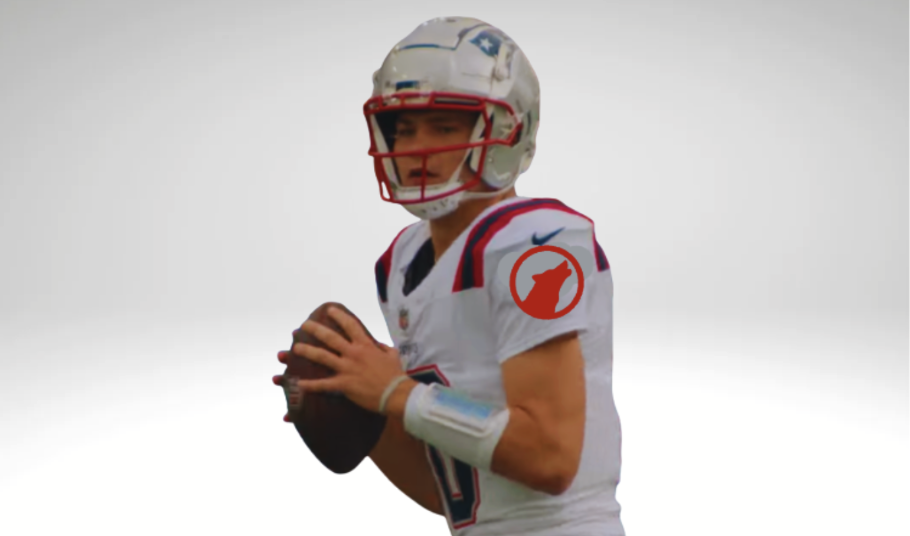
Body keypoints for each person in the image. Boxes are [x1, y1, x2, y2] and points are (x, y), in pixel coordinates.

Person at [276, 16, 624, 536]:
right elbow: (458, 494)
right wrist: (361, 409)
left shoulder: (536, 244)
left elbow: (551, 458)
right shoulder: (401, 263)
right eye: (405, 128)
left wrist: (396, 394)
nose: (418, 148)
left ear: (506, 132)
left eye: (443, 127)